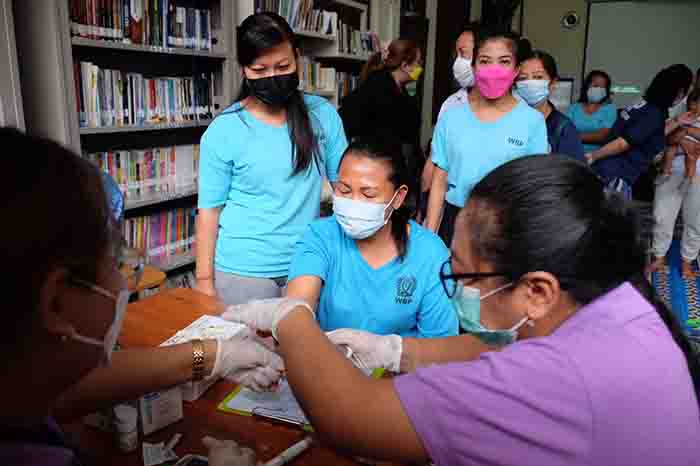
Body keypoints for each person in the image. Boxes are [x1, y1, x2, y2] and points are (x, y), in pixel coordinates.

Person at [224, 155, 700, 466]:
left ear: (536, 291)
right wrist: (396, 351)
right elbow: (495, 342)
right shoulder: (616, 300)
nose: (456, 288)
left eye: (464, 276)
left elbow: (351, 418)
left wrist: (291, 318)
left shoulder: (553, 378)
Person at [0, 128, 277, 466]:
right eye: (115, 261)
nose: (122, 281)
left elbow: (72, 391)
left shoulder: (18, 386)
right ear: (55, 301)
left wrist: (215, 355)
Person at [196, 12, 348, 305]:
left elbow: (345, 187)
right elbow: (209, 212)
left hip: (307, 265)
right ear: (244, 70)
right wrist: (204, 282)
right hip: (241, 271)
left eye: (283, 66)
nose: (272, 77)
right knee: (237, 351)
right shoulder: (224, 130)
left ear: (298, 58)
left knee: (301, 350)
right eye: (259, 69)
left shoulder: (323, 116)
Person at [280, 137, 458, 338]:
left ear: (398, 197)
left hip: (406, 368)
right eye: (344, 190)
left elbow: (440, 346)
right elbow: (297, 310)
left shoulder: (430, 253)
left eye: (369, 195)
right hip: (327, 362)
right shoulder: (320, 236)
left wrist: (392, 359)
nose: (354, 203)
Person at [424, 30, 548, 246]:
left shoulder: (533, 122)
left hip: (506, 224)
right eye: (485, 61)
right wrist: (430, 237)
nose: (494, 69)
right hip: (455, 222)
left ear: (516, 70)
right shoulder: (451, 119)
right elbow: (439, 182)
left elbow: (533, 188)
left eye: (504, 61)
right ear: (474, 67)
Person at [586, 64, 694, 199]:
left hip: (606, 169)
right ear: (679, 91)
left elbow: (649, 133)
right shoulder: (654, 114)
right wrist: (593, 156)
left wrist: (677, 121)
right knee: (612, 217)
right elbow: (624, 142)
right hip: (616, 175)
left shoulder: (644, 104)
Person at [649, 90, 700, 277]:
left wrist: (686, 134)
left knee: (696, 221)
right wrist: (684, 130)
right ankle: (659, 257)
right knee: (662, 216)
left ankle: (687, 261)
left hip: (697, 177)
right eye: (694, 103)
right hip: (671, 173)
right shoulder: (679, 117)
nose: (696, 108)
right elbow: (668, 138)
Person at [516, 51, 584, 161]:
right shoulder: (508, 121)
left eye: (538, 77)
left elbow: (573, 174)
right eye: (523, 78)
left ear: (553, 83)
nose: (529, 83)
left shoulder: (562, 128)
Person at [437, 21, 482, 120]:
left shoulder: (516, 106)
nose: (457, 61)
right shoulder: (451, 104)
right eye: (456, 54)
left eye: (463, 53)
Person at [566, 70, 618, 154]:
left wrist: (575, 136)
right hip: (573, 155)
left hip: (598, 157)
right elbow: (565, 132)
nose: (599, 89)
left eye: (602, 87)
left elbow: (603, 136)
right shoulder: (574, 108)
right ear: (587, 86)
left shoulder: (610, 109)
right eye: (596, 85)